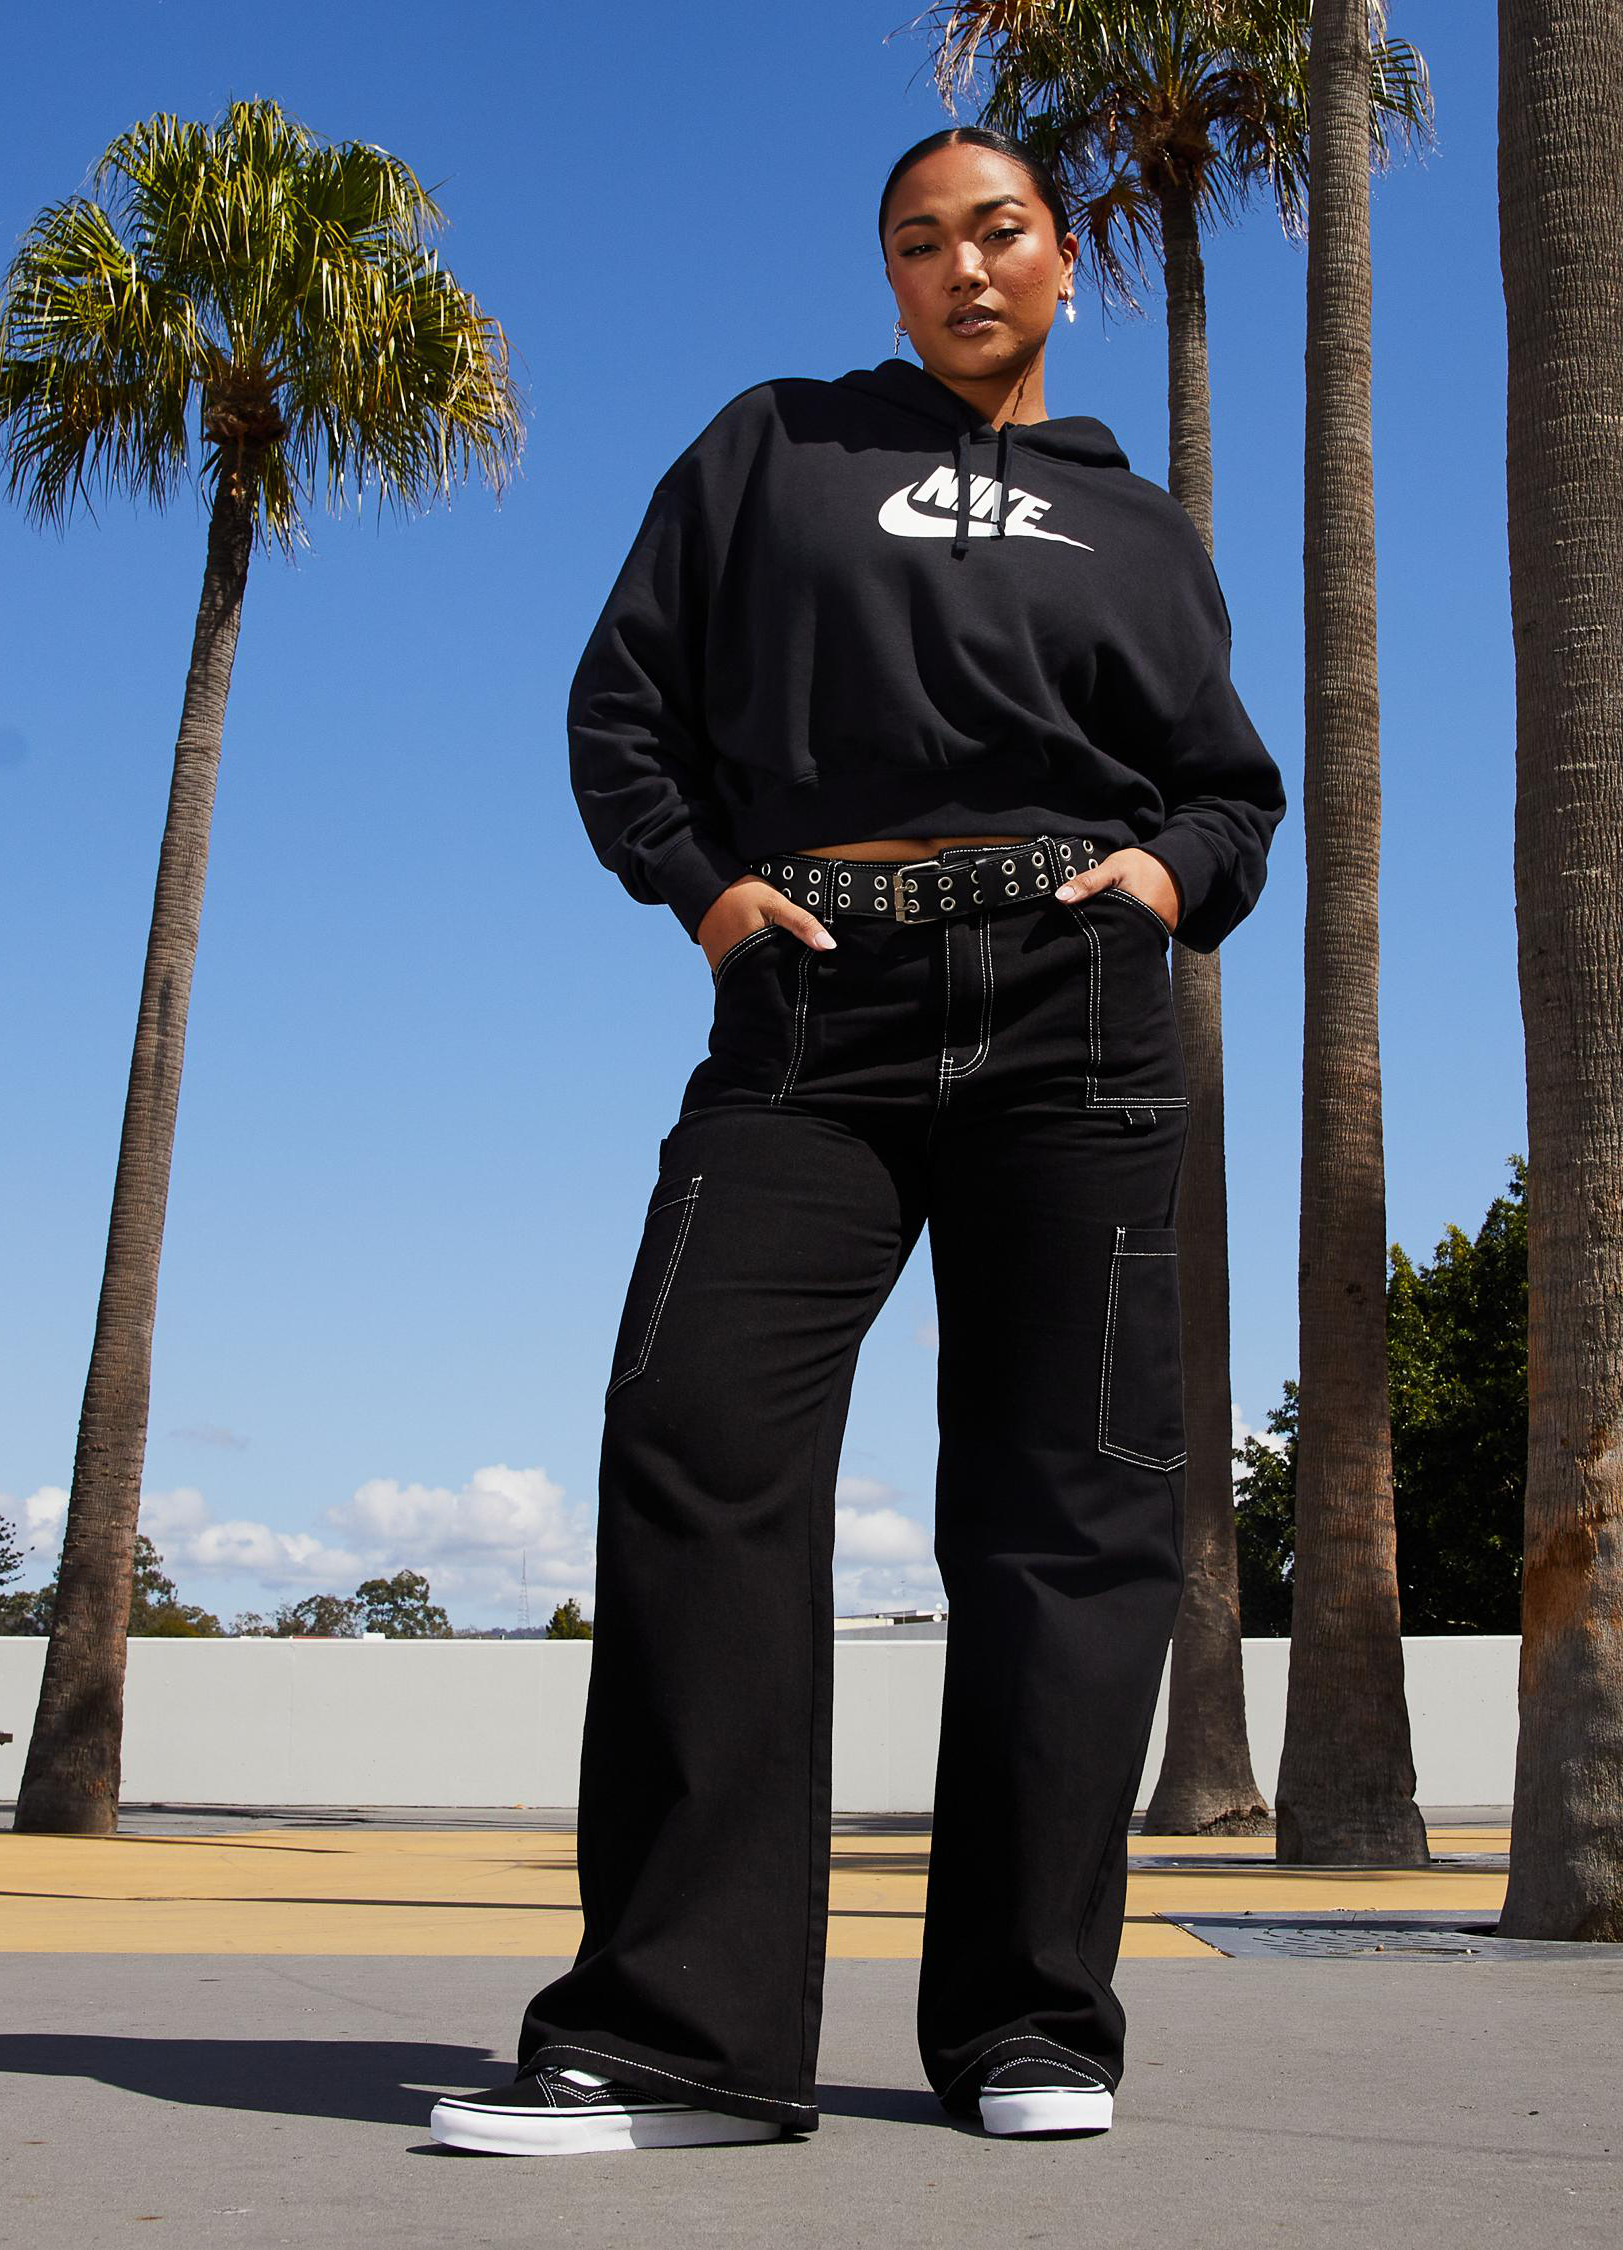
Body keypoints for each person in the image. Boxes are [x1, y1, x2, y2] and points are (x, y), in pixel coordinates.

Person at [430, 124, 1286, 2158]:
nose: (962, 266)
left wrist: (1164, 881)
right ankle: (681, 2040)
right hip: (815, 1004)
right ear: (889, 276)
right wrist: (706, 891)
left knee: (1068, 1512)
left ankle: (1031, 2025)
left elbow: (1230, 793)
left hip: (1076, 1014)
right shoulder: (775, 447)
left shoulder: (1142, 527)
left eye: (998, 231)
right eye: (920, 241)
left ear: (1063, 259)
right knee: (697, 1437)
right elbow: (624, 708)